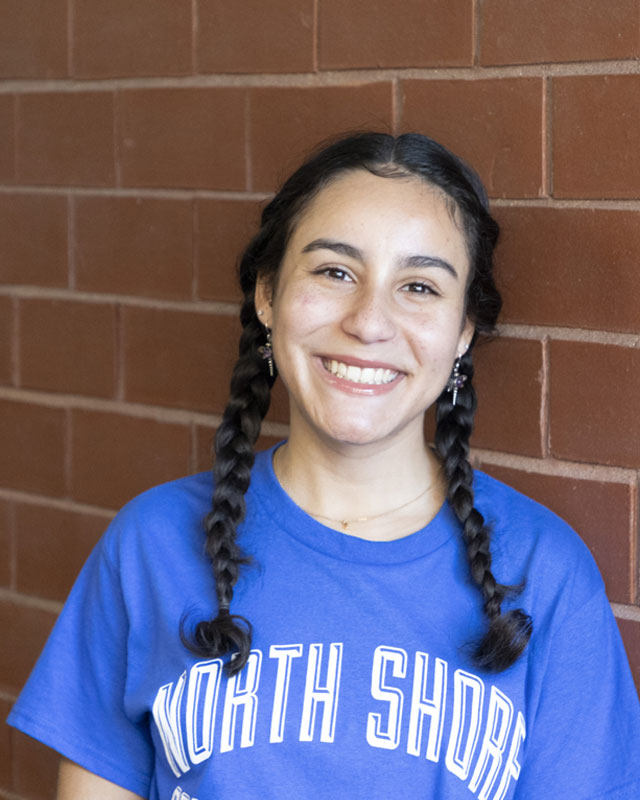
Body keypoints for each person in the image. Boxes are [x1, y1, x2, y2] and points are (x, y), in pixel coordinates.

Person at [7, 132, 640, 799]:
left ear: (461, 334)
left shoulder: (544, 572)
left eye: (419, 286)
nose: (370, 321)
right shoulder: (152, 544)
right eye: (335, 271)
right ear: (268, 295)